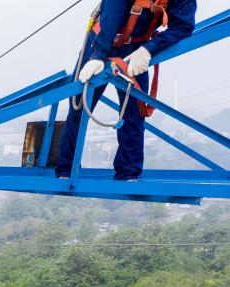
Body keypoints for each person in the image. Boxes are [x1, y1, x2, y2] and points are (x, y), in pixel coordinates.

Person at [56, 0, 196, 181]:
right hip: (103, 39)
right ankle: (66, 169)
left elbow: (183, 26)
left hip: (137, 48)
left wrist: (148, 50)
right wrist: (99, 54)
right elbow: (113, 13)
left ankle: (128, 172)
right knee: (79, 106)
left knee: (134, 112)